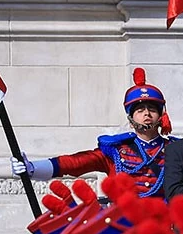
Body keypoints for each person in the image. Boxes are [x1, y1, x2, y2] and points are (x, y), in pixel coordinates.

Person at [11, 68, 171, 197]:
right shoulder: (115, 150)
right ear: (130, 118)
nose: (146, 114)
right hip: (125, 227)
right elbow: (75, 163)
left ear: (161, 116)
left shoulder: (176, 149)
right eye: (140, 110)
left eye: (152, 109)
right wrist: (32, 168)